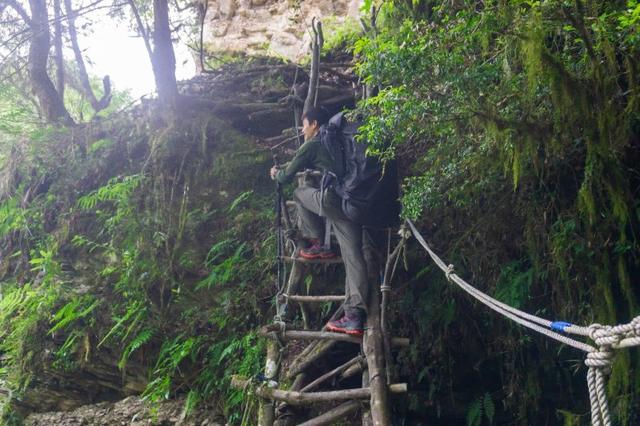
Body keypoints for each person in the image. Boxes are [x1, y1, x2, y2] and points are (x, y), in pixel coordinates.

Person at [269, 107, 368, 336]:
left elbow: (286, 177)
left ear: (314, 124)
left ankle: (316, 243)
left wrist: (276, 173)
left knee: (301, 192)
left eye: (304, 125)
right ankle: (355, 315)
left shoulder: (313, 143)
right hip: (354, 199)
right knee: (354, 256)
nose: (302, 130)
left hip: (334, 202)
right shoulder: (339, 138)